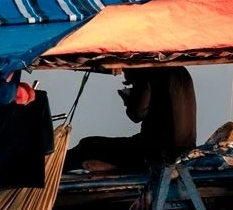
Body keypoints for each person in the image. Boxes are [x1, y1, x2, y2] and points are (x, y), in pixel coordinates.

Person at [64, 66, 197, 174]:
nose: (123, 73)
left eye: (124, 70)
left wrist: (129, 98)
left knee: (88, 145)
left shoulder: (145, 72)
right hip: (182, 149)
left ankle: (54, 168)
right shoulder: (180, 71)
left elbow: (136, 114)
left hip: (157, 152)